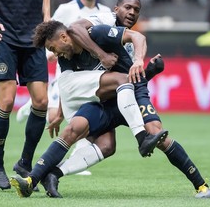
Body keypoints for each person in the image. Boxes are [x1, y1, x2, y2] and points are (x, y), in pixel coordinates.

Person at [40, 0, 210, 199]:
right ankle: (45, 173)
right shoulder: (103, 21)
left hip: (129, 92)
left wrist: (148, 70)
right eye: (127, 8)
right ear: (116, 9)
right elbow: (75, 33)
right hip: (106, 95)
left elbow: (134, 74)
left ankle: (201, 185)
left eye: (136, 10)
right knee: (99, 142)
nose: (131, 13)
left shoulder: (128, 36)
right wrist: (102, 55)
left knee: (157, 134)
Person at [9, 20, 169, 198]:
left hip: (90, 94)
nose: (55, 54)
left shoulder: (99, 30)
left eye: (53, 48)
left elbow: (82, 29)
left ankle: (44, 176)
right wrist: (102, 55)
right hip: (75, 88)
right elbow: (77, 27)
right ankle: (141, 137)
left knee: (107, 146)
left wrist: (147, 69)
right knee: (121, 80)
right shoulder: (77, 40)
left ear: (62, 38)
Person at [15, 0, 111, 176]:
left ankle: (76, 155)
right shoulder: (67, 9)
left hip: (92, 73)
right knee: (56, 116)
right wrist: (50, 53)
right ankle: (33, 105)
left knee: (81, 118)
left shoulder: (105, 11)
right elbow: (47, 33)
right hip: (67, 73)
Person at [0, 0, 51, 190]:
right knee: (7, 101)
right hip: (4, 36)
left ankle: (24, 164)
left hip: (35, 37)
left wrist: (46, 18)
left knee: (42, 101)